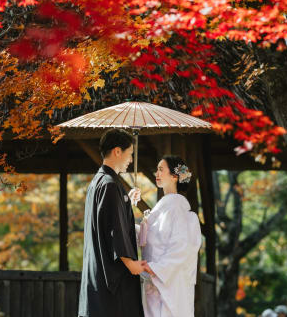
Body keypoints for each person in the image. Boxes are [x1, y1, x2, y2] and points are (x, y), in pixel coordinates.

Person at [78, 129, 146, 317]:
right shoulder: (110, 185)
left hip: (97, 276)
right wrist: (131, 264)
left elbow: (107, 218)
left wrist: (126, 200)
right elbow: (114, 230)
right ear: (117, 151)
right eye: (129, 154)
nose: (131, 160)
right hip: (111, 283)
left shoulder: (99, 181)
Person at [138, 155, 202, 317]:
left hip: (168, 283)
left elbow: (182, 249)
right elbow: (148, 240)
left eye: (161, 169)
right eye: (156, 170)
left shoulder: (178, 210)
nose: (156, 174)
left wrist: (155, 269)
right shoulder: (164, 208)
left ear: (174, 177)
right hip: (155, 281)